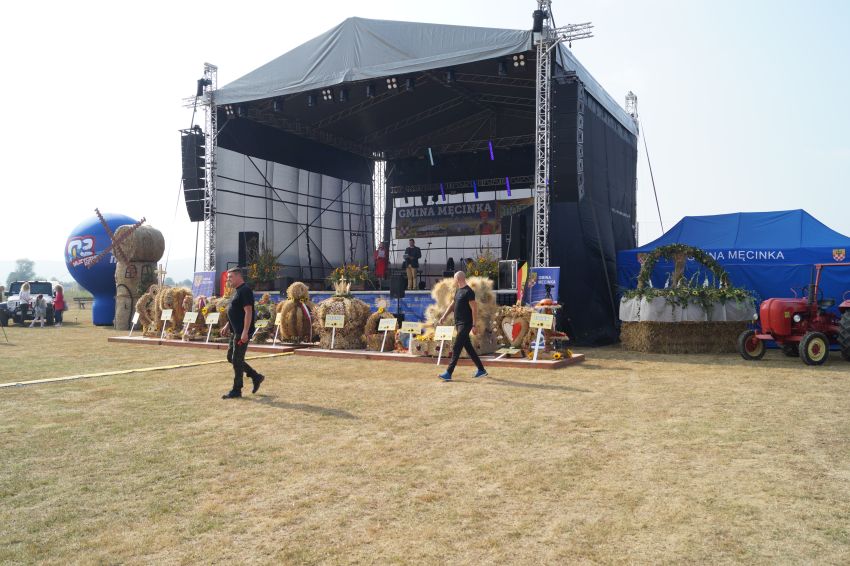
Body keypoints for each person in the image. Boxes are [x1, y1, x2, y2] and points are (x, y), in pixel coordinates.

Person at [220, 267, 265, 399]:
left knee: (236, 360)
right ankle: (256, 376)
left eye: (231, 277)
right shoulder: (236, 291)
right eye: (228, 277)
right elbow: (235, 311)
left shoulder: (245, 290)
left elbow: (248, 312)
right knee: (231, 358)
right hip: (235, 331)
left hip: (242, 332)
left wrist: (245, 332)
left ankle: (237, 390)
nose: (228, 280)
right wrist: (227, 325)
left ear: (239, 276)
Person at [437, 271, 488, 381]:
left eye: (454, 278)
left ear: (458, 279)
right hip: (458, 323)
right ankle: (481, 370)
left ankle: (448, 373)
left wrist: (474, 325)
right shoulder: (458, 290)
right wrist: (444, 316)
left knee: (457, 347)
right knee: (468, 347)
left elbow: (474, 308)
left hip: (466, 324)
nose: (453, 281)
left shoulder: (468, 291)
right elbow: (453, 304)